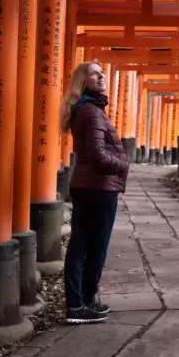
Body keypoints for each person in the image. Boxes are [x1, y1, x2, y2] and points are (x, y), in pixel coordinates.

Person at [59, 60, 129, 324]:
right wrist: (123, 165)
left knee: (84, 245)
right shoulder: (90, 111)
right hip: (97, 188)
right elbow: (98, 155)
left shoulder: (89, 109)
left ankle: (84, 302)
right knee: (91, 247)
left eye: (102, 72)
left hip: (90, 187)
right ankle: (78, 305)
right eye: (94, 73)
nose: (101, 76)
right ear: (83, 81)